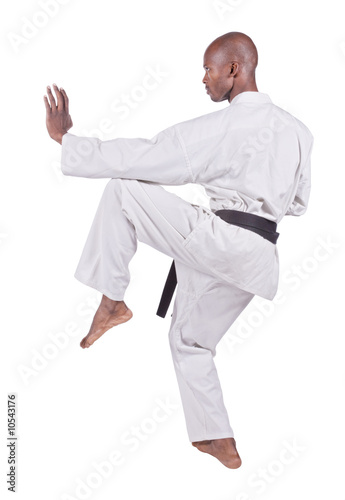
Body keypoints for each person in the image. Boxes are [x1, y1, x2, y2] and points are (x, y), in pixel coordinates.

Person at [44, 32, 313, 469]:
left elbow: (148, 156)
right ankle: (218, 437)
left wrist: (68, 142)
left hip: (225, 241)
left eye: (209, 68)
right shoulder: (300, 132)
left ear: (234, 69)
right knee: (189, 340)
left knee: (123, 191)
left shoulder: (224, 126)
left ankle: (111, 301)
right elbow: (297, 205)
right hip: (260, 259)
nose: (203, 78)